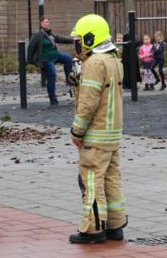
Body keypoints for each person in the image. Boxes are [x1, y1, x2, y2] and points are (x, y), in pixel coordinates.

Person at [67, 14, 126, 244]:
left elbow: (88, 104)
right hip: (112, 134)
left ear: (90, 38)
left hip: (95, 135)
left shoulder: (93, 63)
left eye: (79, 40)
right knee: (111, 179)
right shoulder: (114, 60)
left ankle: (93, 228)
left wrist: (76, 131)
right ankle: (115, 225)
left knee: (91, 181)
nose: (77, 44)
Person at [28, 16, 75, 106]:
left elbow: (60, 39)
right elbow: (31, 47)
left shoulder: (50, 34)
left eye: (48, 22)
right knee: (52, 75)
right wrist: (30, 61)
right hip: (45, 58)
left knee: (68, 58)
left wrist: (73, 40)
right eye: (46, 22)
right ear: (41, 23)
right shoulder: (37, 35)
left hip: (55, 55)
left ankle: (69, 80)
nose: (48, 24)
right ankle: (52, 99)